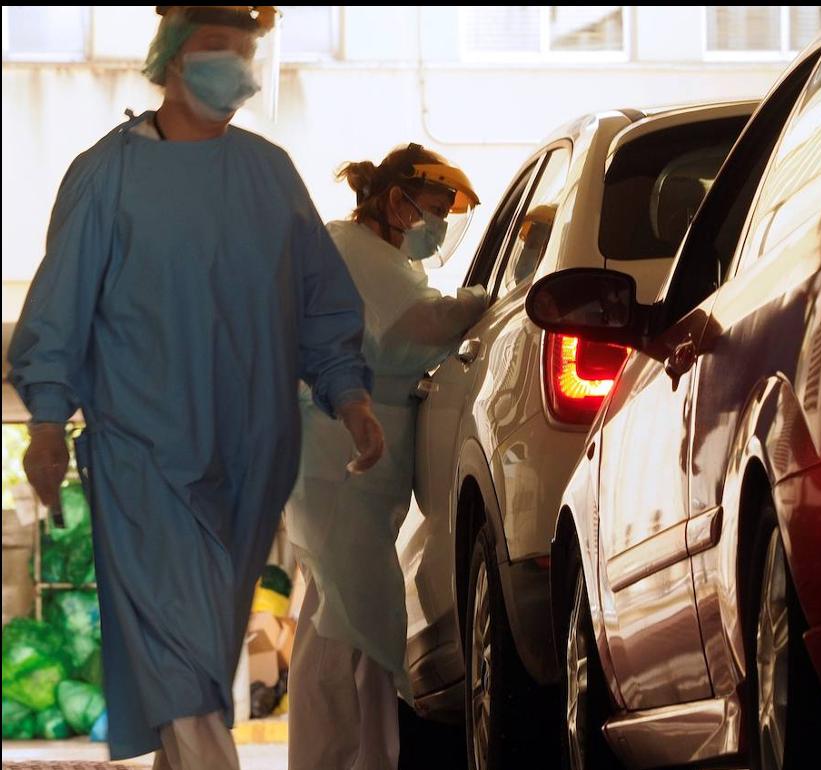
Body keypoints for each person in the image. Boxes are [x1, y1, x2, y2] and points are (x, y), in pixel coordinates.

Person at [6, 7, 385, 769]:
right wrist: (48, 423)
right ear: (172, 60)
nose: (236, 68)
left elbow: (320, 301)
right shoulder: (109, 174)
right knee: (177, 637)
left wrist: (351, 395)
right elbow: (59, 309)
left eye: (246, 53)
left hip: (252, 451)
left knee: (203, 643)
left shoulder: (268, 173)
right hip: (141, 450)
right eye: (219, 50)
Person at [285, 143, 487, 770]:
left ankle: (359, 757)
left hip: (351, 466)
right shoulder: (351, 250)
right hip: (340, 461)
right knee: (356, 621)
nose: (436, 227)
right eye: (431, 210)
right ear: (397, 201)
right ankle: (337, 759)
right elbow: (414, 333)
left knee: (347, 619)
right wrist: (489, 299)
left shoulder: (372, 255)